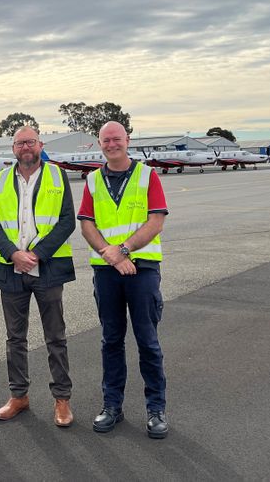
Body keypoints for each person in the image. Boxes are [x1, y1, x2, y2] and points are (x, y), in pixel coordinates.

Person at [78, 121, 170, 438]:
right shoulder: (92, 181)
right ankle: (112, 406)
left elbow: (156, 220)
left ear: (127, 140)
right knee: (111, 341)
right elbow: (87, 225)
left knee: (148, 341)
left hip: (141, 268)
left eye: (117, 138)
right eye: (106, 140)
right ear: (100, 144)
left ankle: (156, 410)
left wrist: (124, 250)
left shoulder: (147, 175)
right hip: (106, 269)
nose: (111, 144)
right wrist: (110, 254)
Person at [0, 126, 76, 427]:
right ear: (13, 148)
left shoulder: (58, 176)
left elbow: (66, 221)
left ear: (41, 145)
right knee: (15, 338)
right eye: (20, 143)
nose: (26, 147)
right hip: (11, 270)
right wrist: (13, 254)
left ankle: (62, 400)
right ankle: (19, 396)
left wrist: (35, 254)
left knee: (55, 337)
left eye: (31, 142)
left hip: (47, 269)